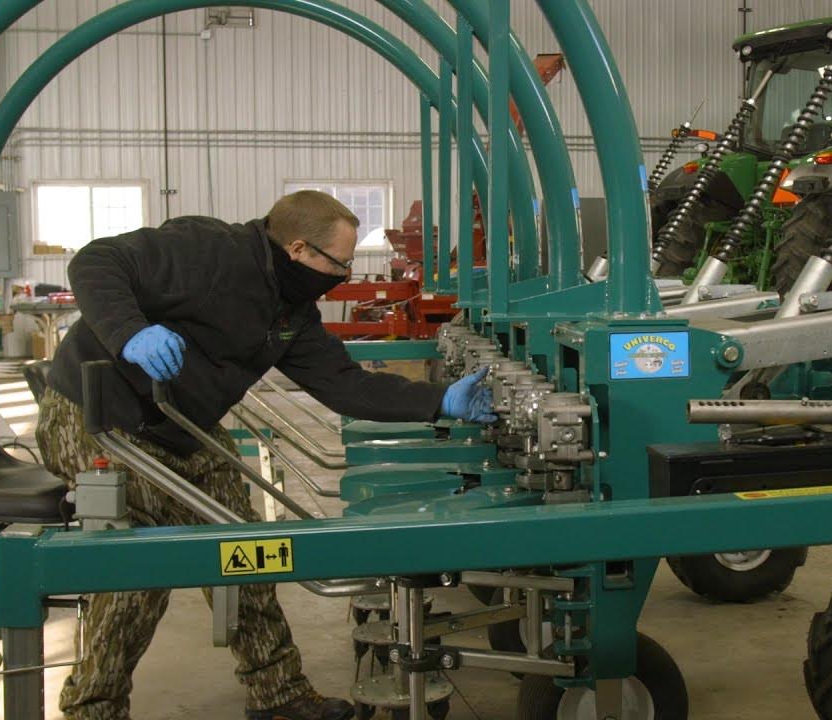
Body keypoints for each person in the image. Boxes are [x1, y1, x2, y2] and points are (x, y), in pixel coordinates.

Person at [35, 190, 496, 720]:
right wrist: (130, 333)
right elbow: (97, 260)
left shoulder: (290, 314)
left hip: (180, 427)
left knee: (247, 549)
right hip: (97, 416)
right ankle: (91, 708)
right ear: (298, 249)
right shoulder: (208, 250)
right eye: (338, 264)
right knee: (137, 567)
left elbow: (347, 386)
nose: (342, 276)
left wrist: (439, 399)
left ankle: (279, 696)